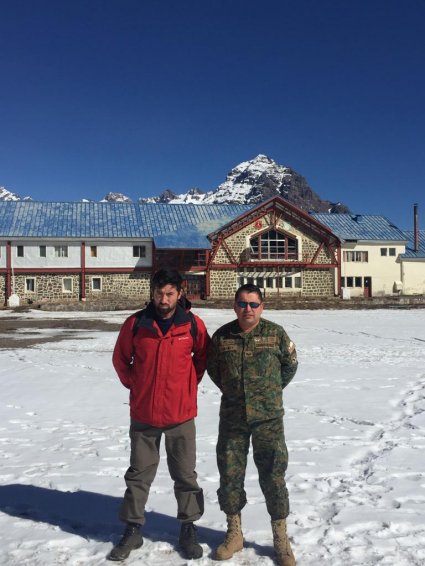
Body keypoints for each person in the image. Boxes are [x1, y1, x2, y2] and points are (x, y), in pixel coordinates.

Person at [109, 269, 210, 561]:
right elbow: (120, 359)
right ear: (152, 293)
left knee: (185, 474)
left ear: (180, 293)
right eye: (158, 294)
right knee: (138, 475)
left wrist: (189, 384)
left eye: (169, 294)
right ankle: (133, 529)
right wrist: (136, 384)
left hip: (181, 414)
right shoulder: (136, 324)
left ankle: (188, 527)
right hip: (144, 415)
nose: (163, 300)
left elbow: (203, 356)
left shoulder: (192, 325)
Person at [207, 283, 298, 566]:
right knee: (230, 474)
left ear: (262, 306)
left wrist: (269, 392)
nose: (248, 309)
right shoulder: (223, 337)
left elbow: (290, 365)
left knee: (273, 474)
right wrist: (236, 392)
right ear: (235, 306)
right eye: (243, 304)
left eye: (254, 304)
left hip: (268, 419)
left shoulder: (275, 334)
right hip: (233, 418)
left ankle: (281, 539)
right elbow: (213, 369)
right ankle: (234, 533)